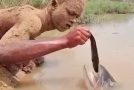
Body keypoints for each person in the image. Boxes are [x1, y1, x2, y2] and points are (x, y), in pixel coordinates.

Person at [0, 0, 91, 89]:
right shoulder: (34, 21)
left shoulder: (36, 17)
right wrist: (65, 41)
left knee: (38, 58)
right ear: (54, 5)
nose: (73, 20)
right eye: (70, 13)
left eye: (76, 16)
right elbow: (2, 52)